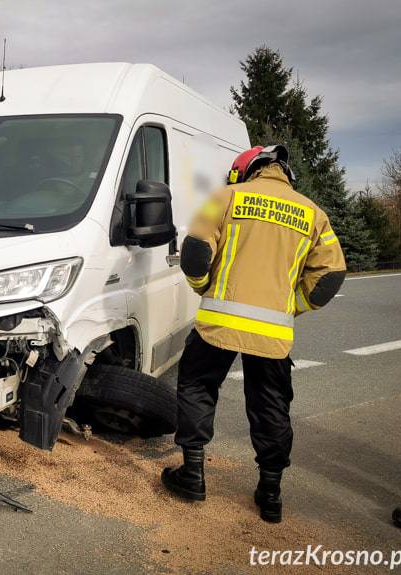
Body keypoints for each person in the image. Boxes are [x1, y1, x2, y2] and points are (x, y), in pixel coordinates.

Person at [161, 145, 346, 523]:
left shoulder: (226, 197)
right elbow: (330, 276)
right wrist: (291, 305)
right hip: (272, 333)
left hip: (218, 323)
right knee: (271, 406)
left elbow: (195, 249)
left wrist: (204, 288)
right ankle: (271, 492)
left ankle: (192, 475)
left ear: (247, 170)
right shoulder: (313, 214)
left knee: (197, 387)